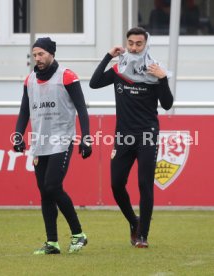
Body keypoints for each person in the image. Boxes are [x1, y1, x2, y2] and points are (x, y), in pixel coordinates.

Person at [89, 27, 173, 248]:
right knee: (116, 185)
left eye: (139, 44)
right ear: (126, 43)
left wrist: (163, 79)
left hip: (147, 135)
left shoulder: (155, 70)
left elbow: (167, 104)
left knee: (145, 185)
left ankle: (143, 235)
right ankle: (133, 222)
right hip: (123, 137)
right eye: (131, 43)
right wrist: (108, 56)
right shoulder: (119, 70)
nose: (134, 47)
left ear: (146, 45)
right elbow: (94, 83)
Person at [13, 37, 92, 254]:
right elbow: (24, 111)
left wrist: (86, 137)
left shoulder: (66, 76)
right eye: (35, 54)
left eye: (41, 54)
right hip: (40, 142)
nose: (37, 58)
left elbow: (82, 108)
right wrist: (18, 135)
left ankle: (78, 234)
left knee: (52, 186)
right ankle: (52, 242)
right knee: (45, 193)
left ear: (51, 53)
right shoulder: (29, 80)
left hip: (62, 140)